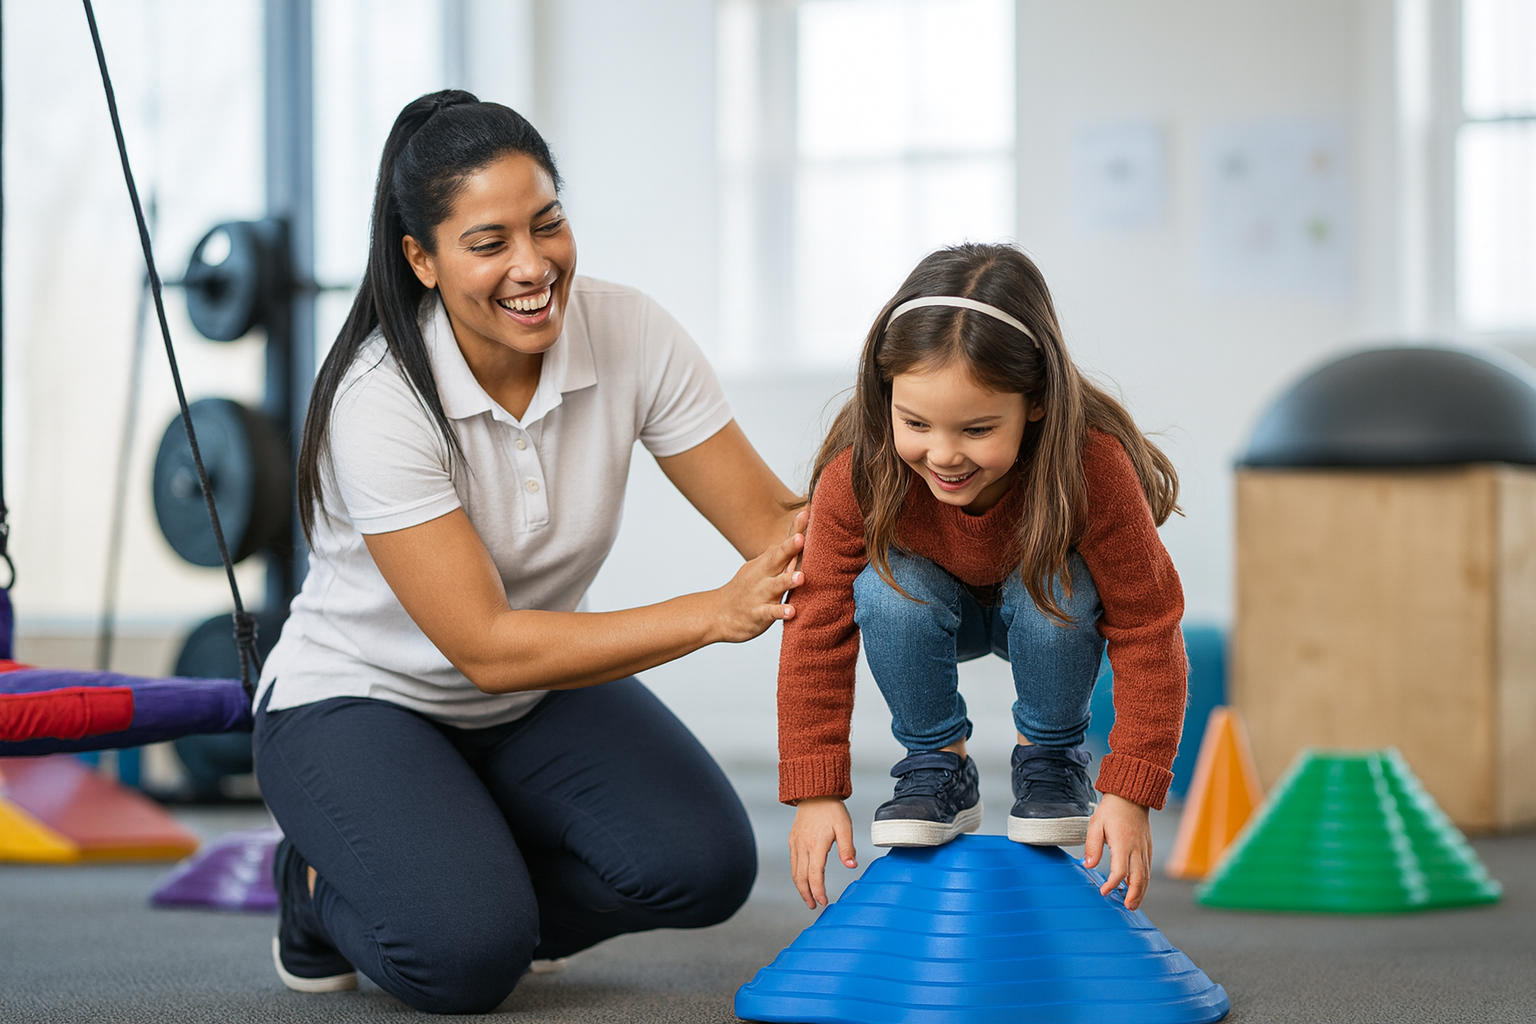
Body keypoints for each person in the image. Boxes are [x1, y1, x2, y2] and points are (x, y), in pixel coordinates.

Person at [253, 90, 806, 1015]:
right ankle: (312, 893)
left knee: (703, 867)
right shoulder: (379, 397)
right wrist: (712, 614)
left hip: (529, 701)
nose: (533, 264)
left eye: (548, 223)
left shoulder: (628, 331)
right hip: (360, 698)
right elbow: (486, 644)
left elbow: (777, 529)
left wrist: (938, 474)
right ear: (421, 260)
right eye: (490, 242)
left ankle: (467, 876)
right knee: (465, 962)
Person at [778, 242, 1186, 914]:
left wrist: (1129, 790)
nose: (942, 455)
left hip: (1047, 611)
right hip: (932, 613)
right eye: (915, 423)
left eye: (975, 429)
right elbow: (816, 628)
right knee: (885, 588)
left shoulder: (1093, 467)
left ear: (1036, 402)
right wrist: (816, 790)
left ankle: (1051, 761)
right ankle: (937, 762)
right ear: (886, 398)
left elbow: (1147, 624)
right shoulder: (859, 470)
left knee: (1058, 584)